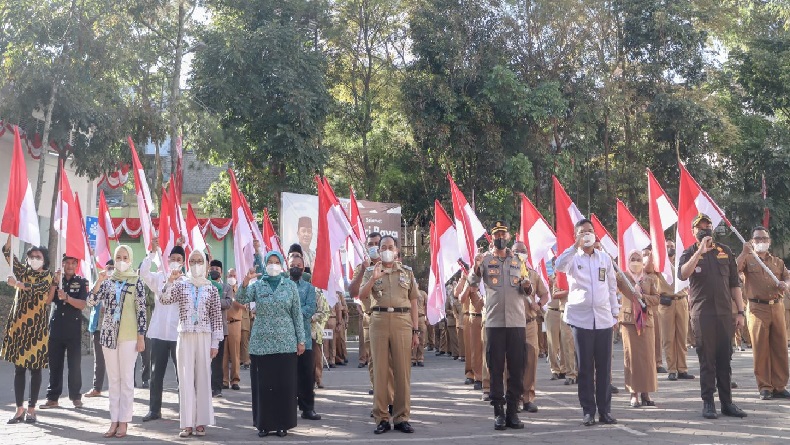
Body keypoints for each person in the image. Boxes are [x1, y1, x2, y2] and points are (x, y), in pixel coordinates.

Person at [678, 213, 747, 419]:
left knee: (725, 359)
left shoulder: (724, 251)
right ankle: (708, 402)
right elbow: (683, 274)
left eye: (707, 225)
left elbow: (735, 284)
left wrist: (741, 311)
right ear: (693, 232)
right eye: (700, 227)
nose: (704, 229)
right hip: (702, 314)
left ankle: (727, 403)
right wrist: (700, 250)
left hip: (725, 314)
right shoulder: (689, 252)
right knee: (707, 359)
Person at [555, 219, 619, 427]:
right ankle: (588, 411)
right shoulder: (573, 258)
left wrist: (615, 314)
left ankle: (605, 411)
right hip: (580, 320)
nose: (588, 235)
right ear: (577, 236)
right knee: (584, 368)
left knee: (604, 368)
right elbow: (559, 265)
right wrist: (575, 246)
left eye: (590, 231)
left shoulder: (604, 259)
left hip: (603, 319)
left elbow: (611, 288)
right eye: (583, 232)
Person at [467, 221, 531, 430]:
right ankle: (498, 412)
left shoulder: (518, 261)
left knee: (517, 367)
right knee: (495, 368)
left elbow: (527, 288)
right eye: (497, 234)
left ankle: (513, 412)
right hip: (494, 322)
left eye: (503, 234)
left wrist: (527, 286)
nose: (500, 237)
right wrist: (476, 269)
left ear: (509, 236)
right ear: (492, 238)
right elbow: (472, 282)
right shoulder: (486, 260)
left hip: (516, 322)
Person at [237, 251, 306, 437]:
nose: (273, 265)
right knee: (263, 386)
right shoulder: (258, 285)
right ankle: (264, 424)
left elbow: (297, 314)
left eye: (277, 262)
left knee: (284, 385)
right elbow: (240, 299)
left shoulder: (290, 286)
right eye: (270, 262)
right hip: (261, 343)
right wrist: (246, 280)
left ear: (282, 265)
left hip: (286, 343)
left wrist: (301, 340)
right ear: (265, 264)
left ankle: (283, 424)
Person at [360, 235, 419, 435]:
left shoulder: (407, 272)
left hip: (402, 322)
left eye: (390, 247)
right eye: (382, 247)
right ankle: (381, 417)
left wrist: (416, 330)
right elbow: (361, 295)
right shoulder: (371, 271)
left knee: (403, 372)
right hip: (379, 320)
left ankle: (402, 418)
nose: (386, 249)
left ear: (396, 251)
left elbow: (414, 302)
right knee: (380, 371)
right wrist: (374, 278)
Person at [161, 250, 223, 438]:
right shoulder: (181, 285)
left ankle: (201, 422)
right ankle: (187, 423)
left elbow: (216, 317)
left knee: (203, 378)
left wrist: (215, 343)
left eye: (199, 261)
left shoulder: (211, 288)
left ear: (205, 264)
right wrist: (170, 280)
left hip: (204, 336)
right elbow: (164, 299)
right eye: (193, 261)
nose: (196, 264)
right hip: (185, 334)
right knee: (186, 379)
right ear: (188, 263)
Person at [86, 245, 147, 438]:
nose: (121, 260)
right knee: (113, 380)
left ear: (130, 260)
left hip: (129, 337)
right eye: (118, 257)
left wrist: (141, 336)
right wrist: (99, 281)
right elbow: (91, 302)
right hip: (108, 336)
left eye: (125, 257)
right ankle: (113, 420)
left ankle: (124, 421)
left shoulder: (136, 281)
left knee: (126, 379)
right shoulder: (108, 281)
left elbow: (141, 310)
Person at [3, 236, 53, 424]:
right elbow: (8, 254)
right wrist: (10, 235)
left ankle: (32, 409)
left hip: (37, 330)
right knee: (19, 369)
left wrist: (17, 284)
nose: (34, 259)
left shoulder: (47, 276)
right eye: (31, 256)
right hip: (19, 328)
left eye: (38, 256)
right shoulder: (23, 271)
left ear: (44, 259)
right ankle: (19, 409)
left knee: (35, 369)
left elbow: (36, 289)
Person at [736, 226, 790, 400]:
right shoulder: (749, 260)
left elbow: (787, 277)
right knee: (761, 348)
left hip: (777, 306)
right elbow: (734, 270)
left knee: (780, 347)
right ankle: (765, 386)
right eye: (758, 239)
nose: (761, 242)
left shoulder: (777, 262)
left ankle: (780, 386)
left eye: (764, 239)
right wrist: (744, 252)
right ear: (752, 241)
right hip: (757, 308)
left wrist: (786, 284)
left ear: (769, 241)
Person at [139, 242, 184, 422]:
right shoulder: (159, 278)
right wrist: (151, 254)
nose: (174, 261)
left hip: (178, 334)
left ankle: (185, 410)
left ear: (183, 263)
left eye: (178, 259)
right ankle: (154, 410)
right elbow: (142, 273)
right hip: (158, 333)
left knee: (182, 374)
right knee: (156, 374)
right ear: (167, 260)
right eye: (172, 259)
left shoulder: (186, 282)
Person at [40, 255, 88, 410]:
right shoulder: (56, 280)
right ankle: (52, 398)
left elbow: (82, 304)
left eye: (73, 263)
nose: (69, 266)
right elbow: (48, 301)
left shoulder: (81, 282)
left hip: (73, 329)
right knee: (55, 365)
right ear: (63, 264)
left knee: (74, 365)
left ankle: (75, 397)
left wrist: (67, 297)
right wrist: (54, 282)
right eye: (67, 263)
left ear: (76, 265)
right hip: (56, 328)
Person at [617, 251, 659, 408]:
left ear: (643, 262)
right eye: (632, 259)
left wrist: (643, 297)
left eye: (638, 259)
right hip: (629, 322)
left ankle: (646, 393)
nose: (635, 262)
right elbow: (610, 287)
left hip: (646, 321)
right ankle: (633, 393)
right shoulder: (622, 277)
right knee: (632, 358)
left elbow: (657, 298)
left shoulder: (649, 279)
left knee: (648, 358)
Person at [512, 241, 550, 414]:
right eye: (517, 251)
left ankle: (528, 398)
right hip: (512, 323)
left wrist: (539, 304)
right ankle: (515, 398)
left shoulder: (533, 275)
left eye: (523, 251)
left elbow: (545, 294)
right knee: (513, 362)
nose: (520, 253)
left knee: (531, 360)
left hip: (529, 324)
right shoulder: (507, 275)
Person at [655, 240, 695, 381]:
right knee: (668, 338)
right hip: (666, 303)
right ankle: (672, 369)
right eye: (667, 246)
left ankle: (682, 369)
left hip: (681, 300)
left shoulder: (681, 261)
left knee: (682, 337)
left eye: (672, 246)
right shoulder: (659, 264)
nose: (670, 249)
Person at [288, 255, 322, 420]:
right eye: (292, 265)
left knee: (306, 376)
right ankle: (287, 409)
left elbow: (310, 309)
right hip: (286, 340)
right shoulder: (283, 286)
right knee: (288, 376)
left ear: (303, 268)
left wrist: (292, 313)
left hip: (305, 340)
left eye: (298, 265)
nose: (295, 267)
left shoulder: (309, 288)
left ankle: (307, 409)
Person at [86, 260, 113, 398]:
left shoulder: (119, 285)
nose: (110, 271)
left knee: (116, 360)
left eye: (113, 269)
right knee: (99, 359)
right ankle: (97, 388)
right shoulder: (99, 283)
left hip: (114, 328)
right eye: (108, 268)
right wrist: (99, 281)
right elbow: (90, 301)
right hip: (98, 327)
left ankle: (123, 387)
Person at [208, 258, 232, 396]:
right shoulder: (204, 285)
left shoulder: (226, 287)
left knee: (218, 360)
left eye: (217, 269)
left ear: (221, 272)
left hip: (221, 329)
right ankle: (205, 386)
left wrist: (213, 300)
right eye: (212, 269)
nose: (214, 271)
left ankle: (217, 388)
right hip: (205, 327)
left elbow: (228, 303)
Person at [222, 268, 244, 390]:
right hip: (224, 323)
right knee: (224, 353)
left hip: (235, 323)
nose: (232, 277)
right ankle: (224, 380)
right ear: (226, 276)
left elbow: (244, 305)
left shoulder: (240, 290)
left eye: (234, 275)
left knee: (235, 353)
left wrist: (236, 302)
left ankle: (235, 380)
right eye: (230, 275)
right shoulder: (224, 289)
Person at [312, 288, 331, 389]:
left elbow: (324, 312)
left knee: (316, 357)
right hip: (296, 331)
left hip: (314, 331)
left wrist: (312, 318)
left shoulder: (316, 294)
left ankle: (318, 379)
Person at [411, 287, 428, 367]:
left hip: (421, 317)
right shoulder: (409, 292)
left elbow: (427, 306)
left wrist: (427, 317)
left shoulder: (423, 293)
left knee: (422, 339)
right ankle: (413, 358)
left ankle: (420, 358)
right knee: (412, 339)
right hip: (411, 317)